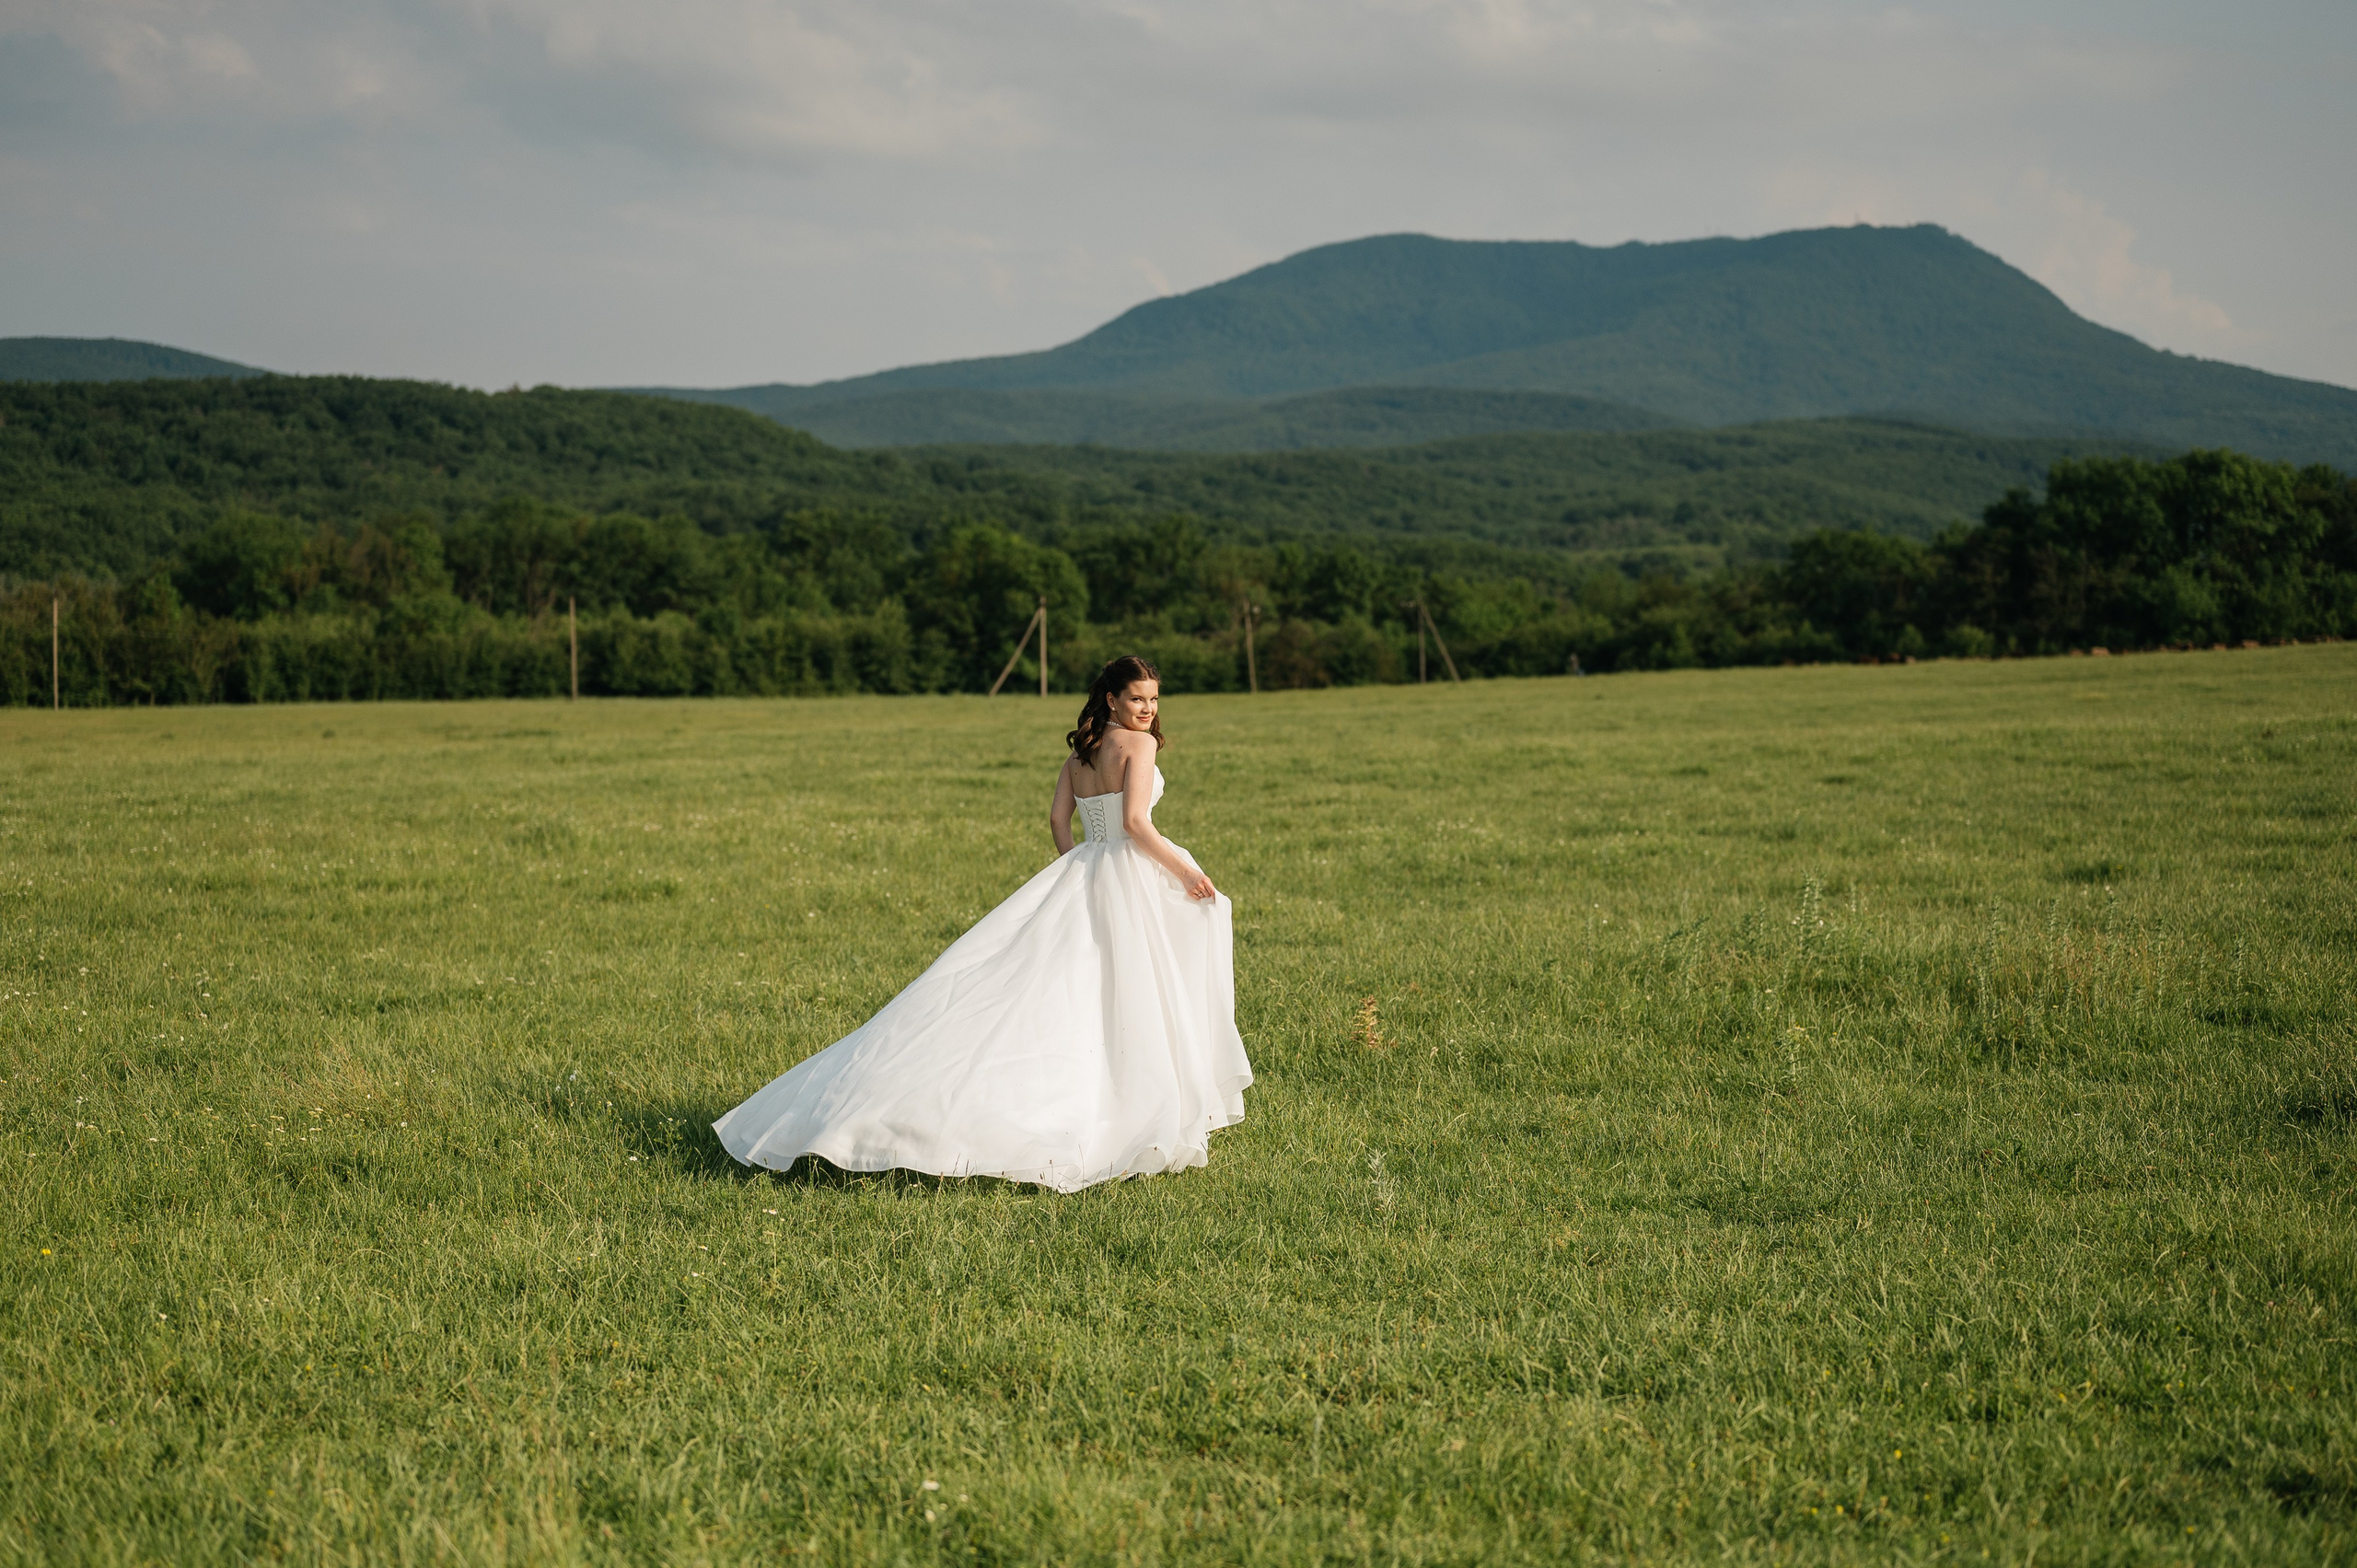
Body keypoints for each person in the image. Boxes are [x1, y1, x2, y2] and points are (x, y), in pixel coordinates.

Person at [714, 656, 1252, 1191]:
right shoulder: (1139, 745)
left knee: (1070, 989)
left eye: (1154, 700)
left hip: (1087, 869)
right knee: (1144, 978)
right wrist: (1185, 871)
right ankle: (1143, 1103)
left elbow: (1057, 819)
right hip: (1133, 871)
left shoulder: (1081, 754)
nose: (1148, 709)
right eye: (1138, 699)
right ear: (1112, 699)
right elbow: (1135, 822)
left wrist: (1078, 866)